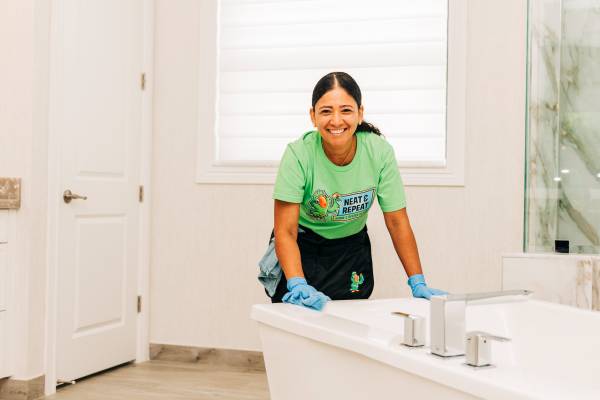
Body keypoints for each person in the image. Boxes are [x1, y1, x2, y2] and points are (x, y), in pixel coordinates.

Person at [258, 72, 447, 311]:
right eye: (326, 111)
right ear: (313, 116)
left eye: (346, 110)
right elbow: (285, 231)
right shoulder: (298, 155)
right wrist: (296, 282)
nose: (336, 120)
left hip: (351, 252)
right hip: (302, 249)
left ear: (360, 113)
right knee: (298, 324)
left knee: (351, 323)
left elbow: (397, 222)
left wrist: (417, 281)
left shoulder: (379, 152)